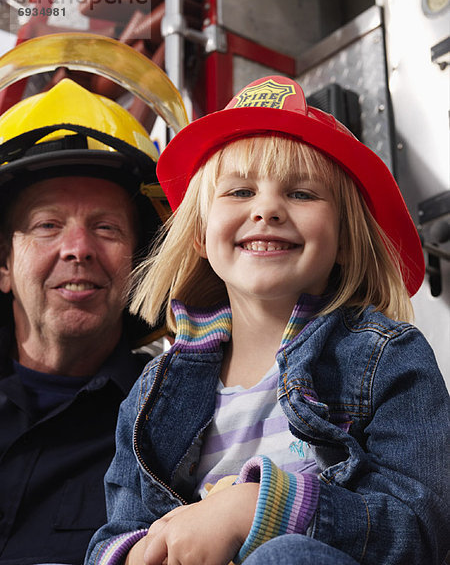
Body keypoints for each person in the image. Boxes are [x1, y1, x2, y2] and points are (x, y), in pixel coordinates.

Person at [85, 76, 449, 565]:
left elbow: (423, 530)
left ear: (343, 239)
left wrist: (258, 508)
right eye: (239, 191)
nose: (267, 209)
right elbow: (112, 538)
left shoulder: (387, 357)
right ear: (199, 234)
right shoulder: (153, 392)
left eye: (301, 194)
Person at [0, 78, 169, 565]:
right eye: (47, 224)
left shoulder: (171, 419)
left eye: (106, 227)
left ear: (139, 267)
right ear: (4, 265)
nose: (78, 248)